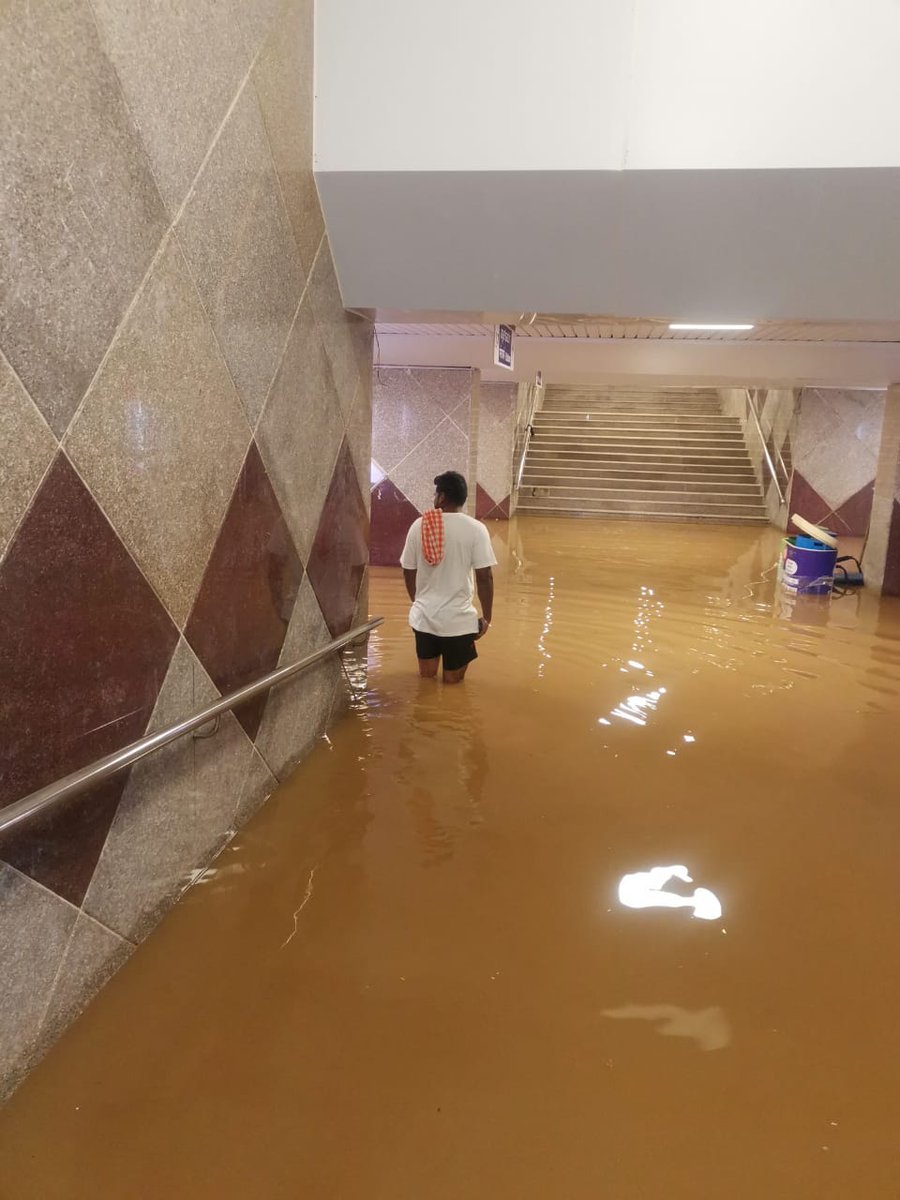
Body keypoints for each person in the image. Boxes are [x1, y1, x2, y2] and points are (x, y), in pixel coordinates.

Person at [400, 471, 496, 684]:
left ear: (442, 497)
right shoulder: (476, 530)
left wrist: (418, 602)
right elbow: (484, 577)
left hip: (424, 620)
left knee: (426, 682)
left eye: (436, 494)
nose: (434, 498)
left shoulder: (420, 526)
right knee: (454, 688)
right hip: (459, 623)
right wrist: (487, 617)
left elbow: (408, 570)